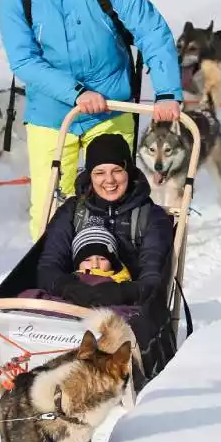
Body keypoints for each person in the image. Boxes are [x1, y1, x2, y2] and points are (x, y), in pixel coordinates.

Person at [0, 0, 184, 240]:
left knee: (115, 198)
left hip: (112, 105)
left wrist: (168, 91)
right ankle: (51, 279)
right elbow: (23, 60)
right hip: (52, 111)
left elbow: (150, 29)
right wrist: (77, 93)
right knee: (50, 208)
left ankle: (117, 278)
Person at [34, 133, 173, 311]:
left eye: (117, 171)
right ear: (90, 176)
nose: (109, 180)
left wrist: (121, 293)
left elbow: (153, 278)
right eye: (99, 172)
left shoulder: (151, 216)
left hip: (127, 308)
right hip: (70, 303)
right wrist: (69, 288)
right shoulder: (72, 211)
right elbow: (47, 266)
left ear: (128, 172)